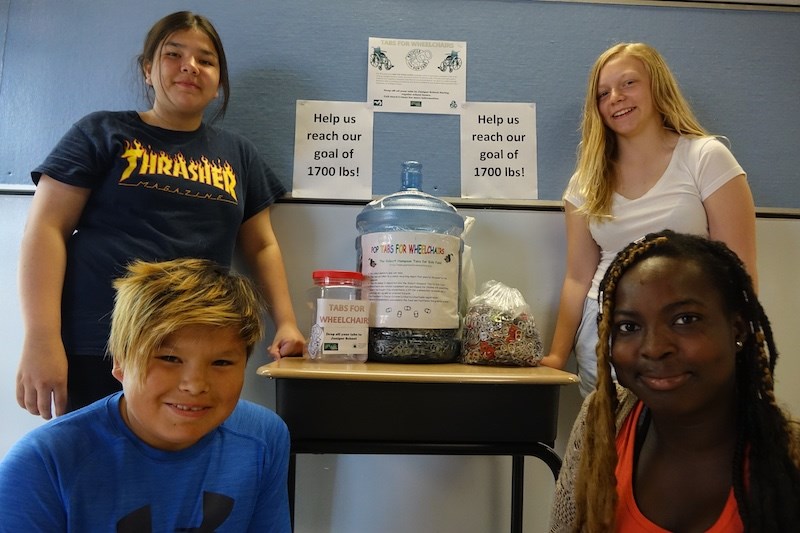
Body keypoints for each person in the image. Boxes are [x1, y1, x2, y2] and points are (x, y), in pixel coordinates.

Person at [17, 11, 305, 419]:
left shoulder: (238, 153)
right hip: (101, 343)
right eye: (174, 54)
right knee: (95, 471)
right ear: (148, 70)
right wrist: (40, 340)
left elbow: (261, 246)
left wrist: (287, 323)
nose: (190, 66)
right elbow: (45, 229)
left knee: (181, 469)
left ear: (218, 82)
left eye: (206, 60)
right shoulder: (101, 132)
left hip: (197, 350)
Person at [0, 258, 292, 532]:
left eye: (222, 363)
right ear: (120, 363)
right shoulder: (41, 463)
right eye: (169, 358)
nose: (194, 385)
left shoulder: (264, 437)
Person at [539, 43, 757, 397]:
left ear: (657, 86)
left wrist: (740, 344)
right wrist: (557, 355)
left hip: (689, 328)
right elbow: (578, 277)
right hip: (607, 334)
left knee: (691, 443)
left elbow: (739, 266)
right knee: (613, 448)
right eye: (603, 93)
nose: (615, 98)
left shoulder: (705, 157)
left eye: (628, 84)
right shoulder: (586, 181)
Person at [549, 230, 800, 532]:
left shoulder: (789, 456)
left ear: (738, 330)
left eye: (685, 320)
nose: (654, 348)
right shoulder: (601, 423)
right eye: (628, 326)